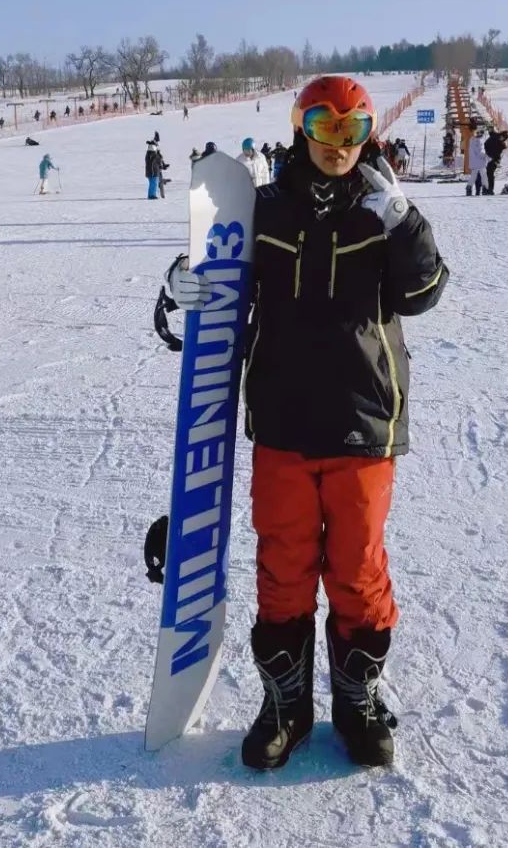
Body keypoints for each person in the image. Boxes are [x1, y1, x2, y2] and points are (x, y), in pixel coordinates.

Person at [164, 76, 448, 771]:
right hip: (285, 420)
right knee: (283, 568)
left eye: (353, 131)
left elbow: (424, 291)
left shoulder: (382, 212)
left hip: (363, 421)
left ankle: (356, 703)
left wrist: (403, 222)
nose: (338, 145)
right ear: (302, 128)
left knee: (356, 569)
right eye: (325, 127)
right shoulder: (263, 209)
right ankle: (286, 706)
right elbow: (223, 282)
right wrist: (185, 286)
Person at [484, 127, 507, 195]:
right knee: (488, 173)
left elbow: (499, 153)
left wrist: (496, 160)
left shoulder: (498, 140)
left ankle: (489, 189)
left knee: (489, 173)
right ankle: (488, 188)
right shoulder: (495, 137)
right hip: (492, 158)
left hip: (494, 159)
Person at [467, 129, 487, 195]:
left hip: (474, 162)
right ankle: (485, 188)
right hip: (480, 162)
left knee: (473, 176)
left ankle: (469, 188)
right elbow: (480, 152)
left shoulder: (472, 140)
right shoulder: (478, 141)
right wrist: (486, 156)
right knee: (484, 175)